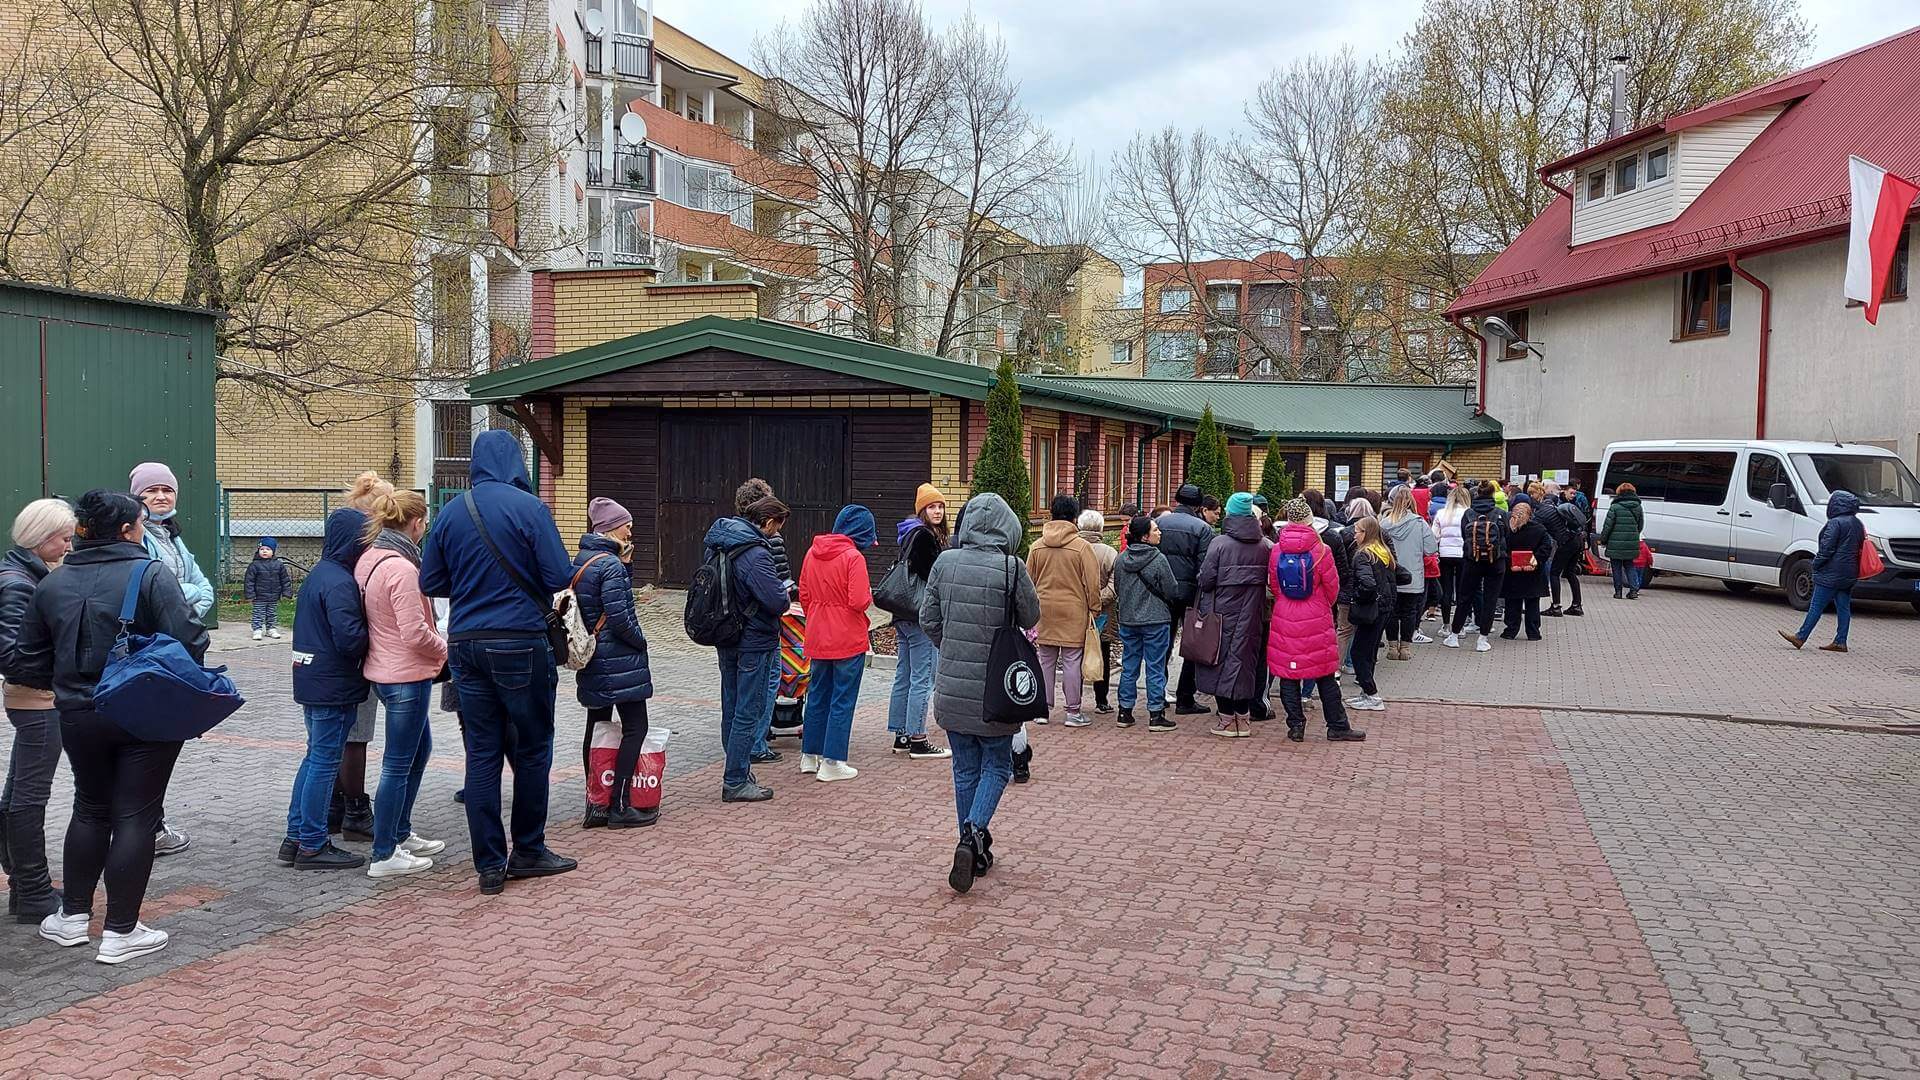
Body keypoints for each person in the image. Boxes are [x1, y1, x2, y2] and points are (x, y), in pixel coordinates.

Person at [8, 490, 207, 964]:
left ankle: (73, 918)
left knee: (91, 807)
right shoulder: (150, 572)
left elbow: (25, 660)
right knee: (136, 815)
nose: (142, 528)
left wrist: (68, 681)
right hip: (145, 711)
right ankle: (120, 931)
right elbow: (191, 640)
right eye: (139, 522)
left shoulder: (52, 584)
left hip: (77, 712)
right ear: (125, 530)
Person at [419, 429, 579, 894]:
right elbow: (557, 576)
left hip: (466, 644)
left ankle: (489, 865)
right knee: (532, 749)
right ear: (517, 462)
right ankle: (528, 849)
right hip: (519, 642)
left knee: (482, 753)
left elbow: (431, 580)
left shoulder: (451, 511)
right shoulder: (530, 509)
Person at [919, 493, 1039, 895]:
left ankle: (973, 847)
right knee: (998, 767)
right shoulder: (1011, 567)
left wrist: (950, 646)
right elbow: (1032, 616)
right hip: (997, 687)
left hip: (952, 685)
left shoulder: (945, 562)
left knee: (964, 770)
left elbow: (927, 619)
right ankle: (972, 837)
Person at [354, 490, 447, 877]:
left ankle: (400, 832)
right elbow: (415, 632)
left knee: (419, 749)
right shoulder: (403, 568)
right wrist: (445, 649)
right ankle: (384, 852)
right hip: (406, 674)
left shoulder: (369, 558)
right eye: (424, 522)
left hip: (384, 670)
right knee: (397, 764)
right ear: (416, 523)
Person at [282, 508, 374, 874]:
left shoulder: (321, 573)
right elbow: (349, 638)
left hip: (314, 679)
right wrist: (376, 635)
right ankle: (313, 843)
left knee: (313, 758)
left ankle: (296, 836)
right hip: (332, 684)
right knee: (324, 762)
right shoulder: (340, 582)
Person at [0, 499, 76, 923]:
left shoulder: (26, 575)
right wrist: (61, 675)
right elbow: (12, 655)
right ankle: (32, 892)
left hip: (32, 700)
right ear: (41, 537)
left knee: (17, 794)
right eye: (64, 538)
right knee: (29, 798)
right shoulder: (18, 583)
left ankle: (24, 886)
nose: (68, 546)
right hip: (38, 703)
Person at [129, 462, 208, 859]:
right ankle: (146, 827)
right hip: (152, 652)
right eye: (151, 491)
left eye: (167, 490)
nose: (161, 496)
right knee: (149, 744)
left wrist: (182, 594)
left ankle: (148, 823)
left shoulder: (173, 536)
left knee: (159, 743)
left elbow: (203, 588)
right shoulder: (139, 539)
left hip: (172, 651)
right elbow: (162, 592)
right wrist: (181, 595)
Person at [698, 492, 791, 803]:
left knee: (731, 704)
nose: (777, 532)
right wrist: (784, 592)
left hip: (725, 632)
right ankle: (736, 778)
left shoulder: (718, 543)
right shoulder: (755, 552)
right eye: (777, 526)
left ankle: (735, 769)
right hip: (753, 638)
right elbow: (776, 600)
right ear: (766, 522)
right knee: (747, 710)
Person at [572, 498, 657, 828]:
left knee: (596, 726)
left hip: (594, 657)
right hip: (619, 658)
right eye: (626, 524)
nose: (630, 529)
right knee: (636, 726)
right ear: (608, 528)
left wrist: (627, 565)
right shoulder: (609, 565)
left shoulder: (584, 559)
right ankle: (621, 805)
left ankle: (595, 804)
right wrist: (641, 641)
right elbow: (621, 616)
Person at [1265, 498, 1365, 744]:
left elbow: (1274, 585)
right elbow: (1332, 587)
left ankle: (1296, 726)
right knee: (1325, 674)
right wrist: (1320, 604)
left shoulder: (1277, 549)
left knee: (1289, 674)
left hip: (1285, 616)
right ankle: (1337, 725)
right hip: (1316, 617)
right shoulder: (1322, 550)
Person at [333, 471, 396, 843]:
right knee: (355, 737)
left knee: (342, 738)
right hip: (356, 662)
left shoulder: (338, 565)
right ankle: (355, 809)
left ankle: (337, 806)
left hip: (336, 666)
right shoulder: (362, 563)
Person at [798, 505, 876, 782]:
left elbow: (804, 594)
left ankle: (809, 755)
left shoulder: (812, 552)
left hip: (818, 634)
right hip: (847, 637)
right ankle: (833, 761)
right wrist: (868, 594)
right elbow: (859, 601)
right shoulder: (854, 558)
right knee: (842, 699)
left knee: (818, 694)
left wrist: (819, 616)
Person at [1197, 492, 1273, 738]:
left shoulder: (1220, 543)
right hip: (1253, 614)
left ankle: (1226, 721)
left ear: (1230, 513)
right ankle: (1244, 720)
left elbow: (1206, 580)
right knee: (1245, 664)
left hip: (1221, 613)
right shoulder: (1264, 545)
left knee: (1218, 662)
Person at [730, 479, 793, 767]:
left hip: (730, 628)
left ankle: (737, 753)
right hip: (758, 630)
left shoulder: (726, 538)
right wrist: (785, 594)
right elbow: (777, 593)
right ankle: (751, 750)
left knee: (733, 695)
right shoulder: (763, 545)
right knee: (761, 688)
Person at [1026, 494, 1101, 727]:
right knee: (1072, 660)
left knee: (1045, 660)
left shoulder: (1036, 546)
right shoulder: (1082, 547)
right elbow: (1092, 583)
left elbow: (1028, 582)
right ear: (1075, 517)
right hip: (1074, 612)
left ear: (1051, 514)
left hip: (1044, 610)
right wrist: (1094, 608)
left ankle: (1042, 710)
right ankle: (1073, 712)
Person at [888, 485, 949, 759]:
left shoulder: (908, 533)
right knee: (922, 679)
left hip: (902, 613)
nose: (937, 511)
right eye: (931, 507)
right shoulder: (924, 537)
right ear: (921, 510)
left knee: (904, 675)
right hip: (919, 614)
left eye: (940, 506)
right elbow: (933, 578)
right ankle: (918, 738)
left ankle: (901, 734)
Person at [1111, 516, 1178, 732]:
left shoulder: (1121, 559)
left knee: (1129, 665)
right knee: (1155, 666)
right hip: (1156, 620)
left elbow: (1118, 588)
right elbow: (1171, 589)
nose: (1160, 533)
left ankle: (1125, 711)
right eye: (1156, 530)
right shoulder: (1158, 559)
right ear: (1145, 536)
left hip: (1129, 619)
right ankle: (1156, 713)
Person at [1781, 490, 1866, 652]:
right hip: (1849, 572)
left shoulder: (1836, 523)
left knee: (1816, 606)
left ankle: (1800, 637)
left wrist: (1816, 564)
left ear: (1836, 504)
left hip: (1831, 572)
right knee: (1843, 607)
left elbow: (1827, 548)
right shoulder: (1857, 523)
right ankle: (1840, 641)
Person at [1156, 484, 1214, 716]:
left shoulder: (1159, 524)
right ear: (1198, 506)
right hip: (1191, 594)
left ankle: (1158, 694)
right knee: (1192, 645)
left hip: (1162, 592)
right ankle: (1185, 697)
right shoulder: (1202, 528)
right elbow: (1205, 567)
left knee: (1162, 644)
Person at [1345, 517, 1405, 713]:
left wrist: (1358, 597)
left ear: (1366, 533)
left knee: (1358, 652)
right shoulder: (1383, 552)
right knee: (1369, 652)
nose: (1354, 534)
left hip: (1371, 607)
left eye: (1358, 531)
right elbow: (1400, 576)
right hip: (1386, 607)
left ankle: (1371, 694)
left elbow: (1368, 584)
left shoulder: (1363, 555)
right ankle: (1366, 692)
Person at [1446, 481, 1509, 653]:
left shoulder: (1468, 513)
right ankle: (1483, 639)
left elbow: (1462, 534)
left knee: (1465, 597)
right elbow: (1506, 536)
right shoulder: (1501, 514)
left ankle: (1454, 635)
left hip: (1471, 561)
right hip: (1496, 562)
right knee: (1490, 599)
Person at [1302, 489, 1356, 677]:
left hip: (1299, 595)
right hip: (1325, 595)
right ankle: (1324, 671)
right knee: (1329, 631)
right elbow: (1341, 570)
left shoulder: (1285, 535)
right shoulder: (1334, 532)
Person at [1379, 486, 1437, 660]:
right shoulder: (1419, 523)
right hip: (1413, 575)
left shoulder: (1384, 524)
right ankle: (1405, 648)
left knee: (1391, 612)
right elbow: (1431, 548)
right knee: (1409, 612)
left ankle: (1391, 647)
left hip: (1390, 575)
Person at [1077, 509, 1119, 714]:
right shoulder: (1110, 553)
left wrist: (1081, 601)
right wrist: (1097, 601)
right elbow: (1114, 586)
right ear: (1101, 528)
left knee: (1073, 654)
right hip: (1102, 613)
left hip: (1075, 610)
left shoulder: (1073, 548)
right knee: (1102, 652)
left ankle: (1073, 702)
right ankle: (1101, 701)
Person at [1500, 502, 1555, 641]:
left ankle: (1510, 631)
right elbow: (1546, 548)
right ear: (1530, 514)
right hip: (1533, 572)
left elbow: (1502, 548)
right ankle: (1533, 632)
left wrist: (1510, 561)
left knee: (1512, 603)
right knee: (1532, 603)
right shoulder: (1539, 529)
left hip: (1512, 572)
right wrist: (1533, 561)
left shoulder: (1508, 530)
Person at [1599, 482, 1645, 599]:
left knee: (1616, 567)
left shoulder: (1615, 507)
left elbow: (1608, 526)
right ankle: (1634, 590)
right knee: (1630, 565)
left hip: (1615, 542)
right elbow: (1640, 525)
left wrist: (1603, 540)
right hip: (1631, 541)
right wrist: (1633, 535)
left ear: (1619, 492)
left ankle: (1618, 592)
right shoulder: (1638, 507)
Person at [1544, 494, 1586, 617]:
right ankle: (1576, 605)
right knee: (1570, 572)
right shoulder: (1565, 510)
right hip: (1577, 540)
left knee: (1554, 573)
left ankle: (1556, 607)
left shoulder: (1554, 514)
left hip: (1566, 543)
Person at [1433, 484, 1469, 628]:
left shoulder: (1442, 513)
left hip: (1445, 554)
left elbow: (1434, 536)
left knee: (1446, 590)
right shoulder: (1469, 512)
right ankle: (1460, 626)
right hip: (1463, 554)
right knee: (1462, 590)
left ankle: (1446, 624)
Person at [244, 538, 293, 641]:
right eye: (262, 549)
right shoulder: (254, 565)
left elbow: (285, 580)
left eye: (268, 549)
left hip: (274, 596)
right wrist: (250, 595)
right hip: (259, 596)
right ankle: (257, 629)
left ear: (273, 551)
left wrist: (286, 593)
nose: (264, 551)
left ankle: (271, 628)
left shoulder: (279, 565)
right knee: (258, 613)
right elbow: (249, 581)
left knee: (272, 613)